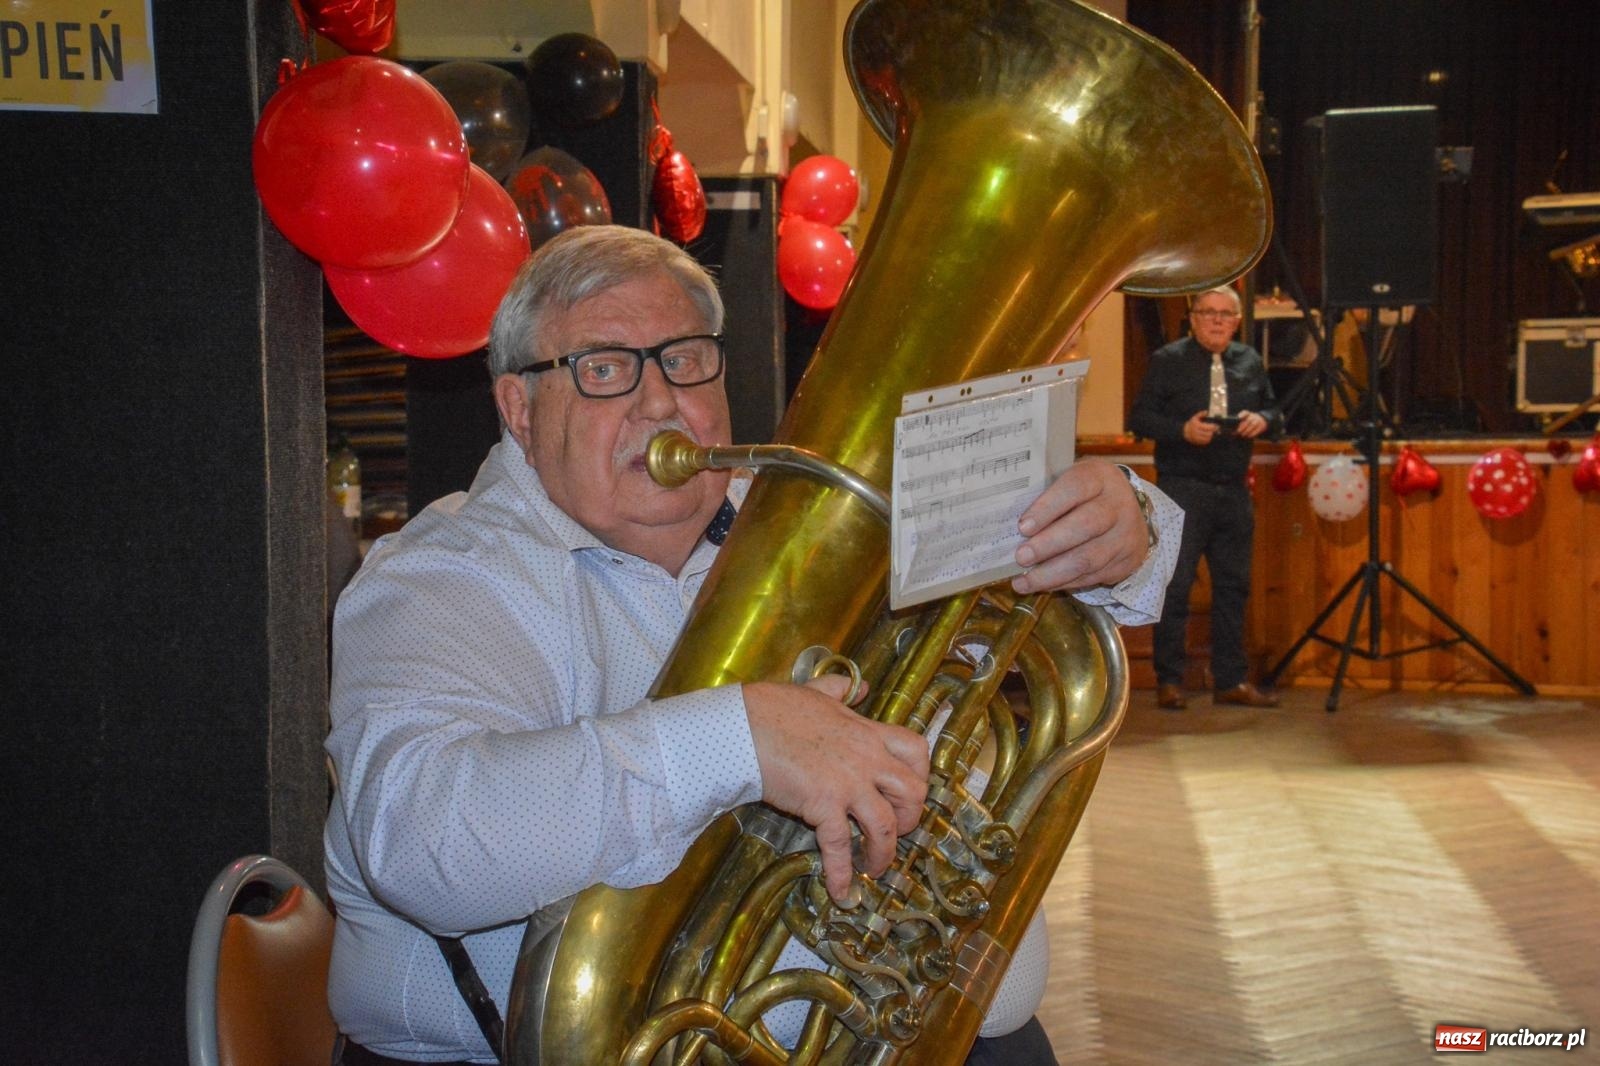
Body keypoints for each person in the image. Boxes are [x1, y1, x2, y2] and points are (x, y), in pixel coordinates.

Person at [323, 224, 1182, 1066]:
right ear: (520, 408)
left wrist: (1122, 525)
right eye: (604, 369)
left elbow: (1061, 554)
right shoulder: (444, 578)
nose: (660, 403)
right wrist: (739, 740)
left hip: (925, 1035)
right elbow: (422, 840)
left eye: (685, 359)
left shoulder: (805, 521)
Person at [1129, 284, 1281, 711]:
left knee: (1234, 587)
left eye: (1224, 314)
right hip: (1183, 487)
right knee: (1175, 585)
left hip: (1233, 489)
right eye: (1207, 313)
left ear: (1236, 322)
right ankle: (1169, 680)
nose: (1216, 320)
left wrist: (1262, 419)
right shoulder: (1168, 360)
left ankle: (1231, 680)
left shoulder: (1250, 361)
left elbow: (1275, 412)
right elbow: (1139, 418)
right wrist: (1182, 430)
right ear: (1193, 320)